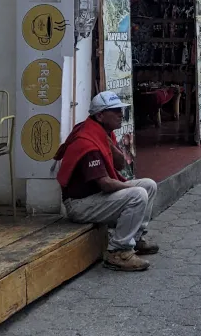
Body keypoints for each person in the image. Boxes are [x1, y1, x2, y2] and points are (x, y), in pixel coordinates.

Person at [54, 91, 158, 272]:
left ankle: (136, 238)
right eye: (115, 111)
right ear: (100, 116)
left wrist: (109, 143)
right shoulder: (87, 140)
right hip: (79, 205)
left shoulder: (103, 133)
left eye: (120, 110)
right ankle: (118, 252)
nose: (121, 114)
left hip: (96, 196)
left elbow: (120, 165)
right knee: (138, 194)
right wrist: (129, 188)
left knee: (149, 185)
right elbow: (106, 184)